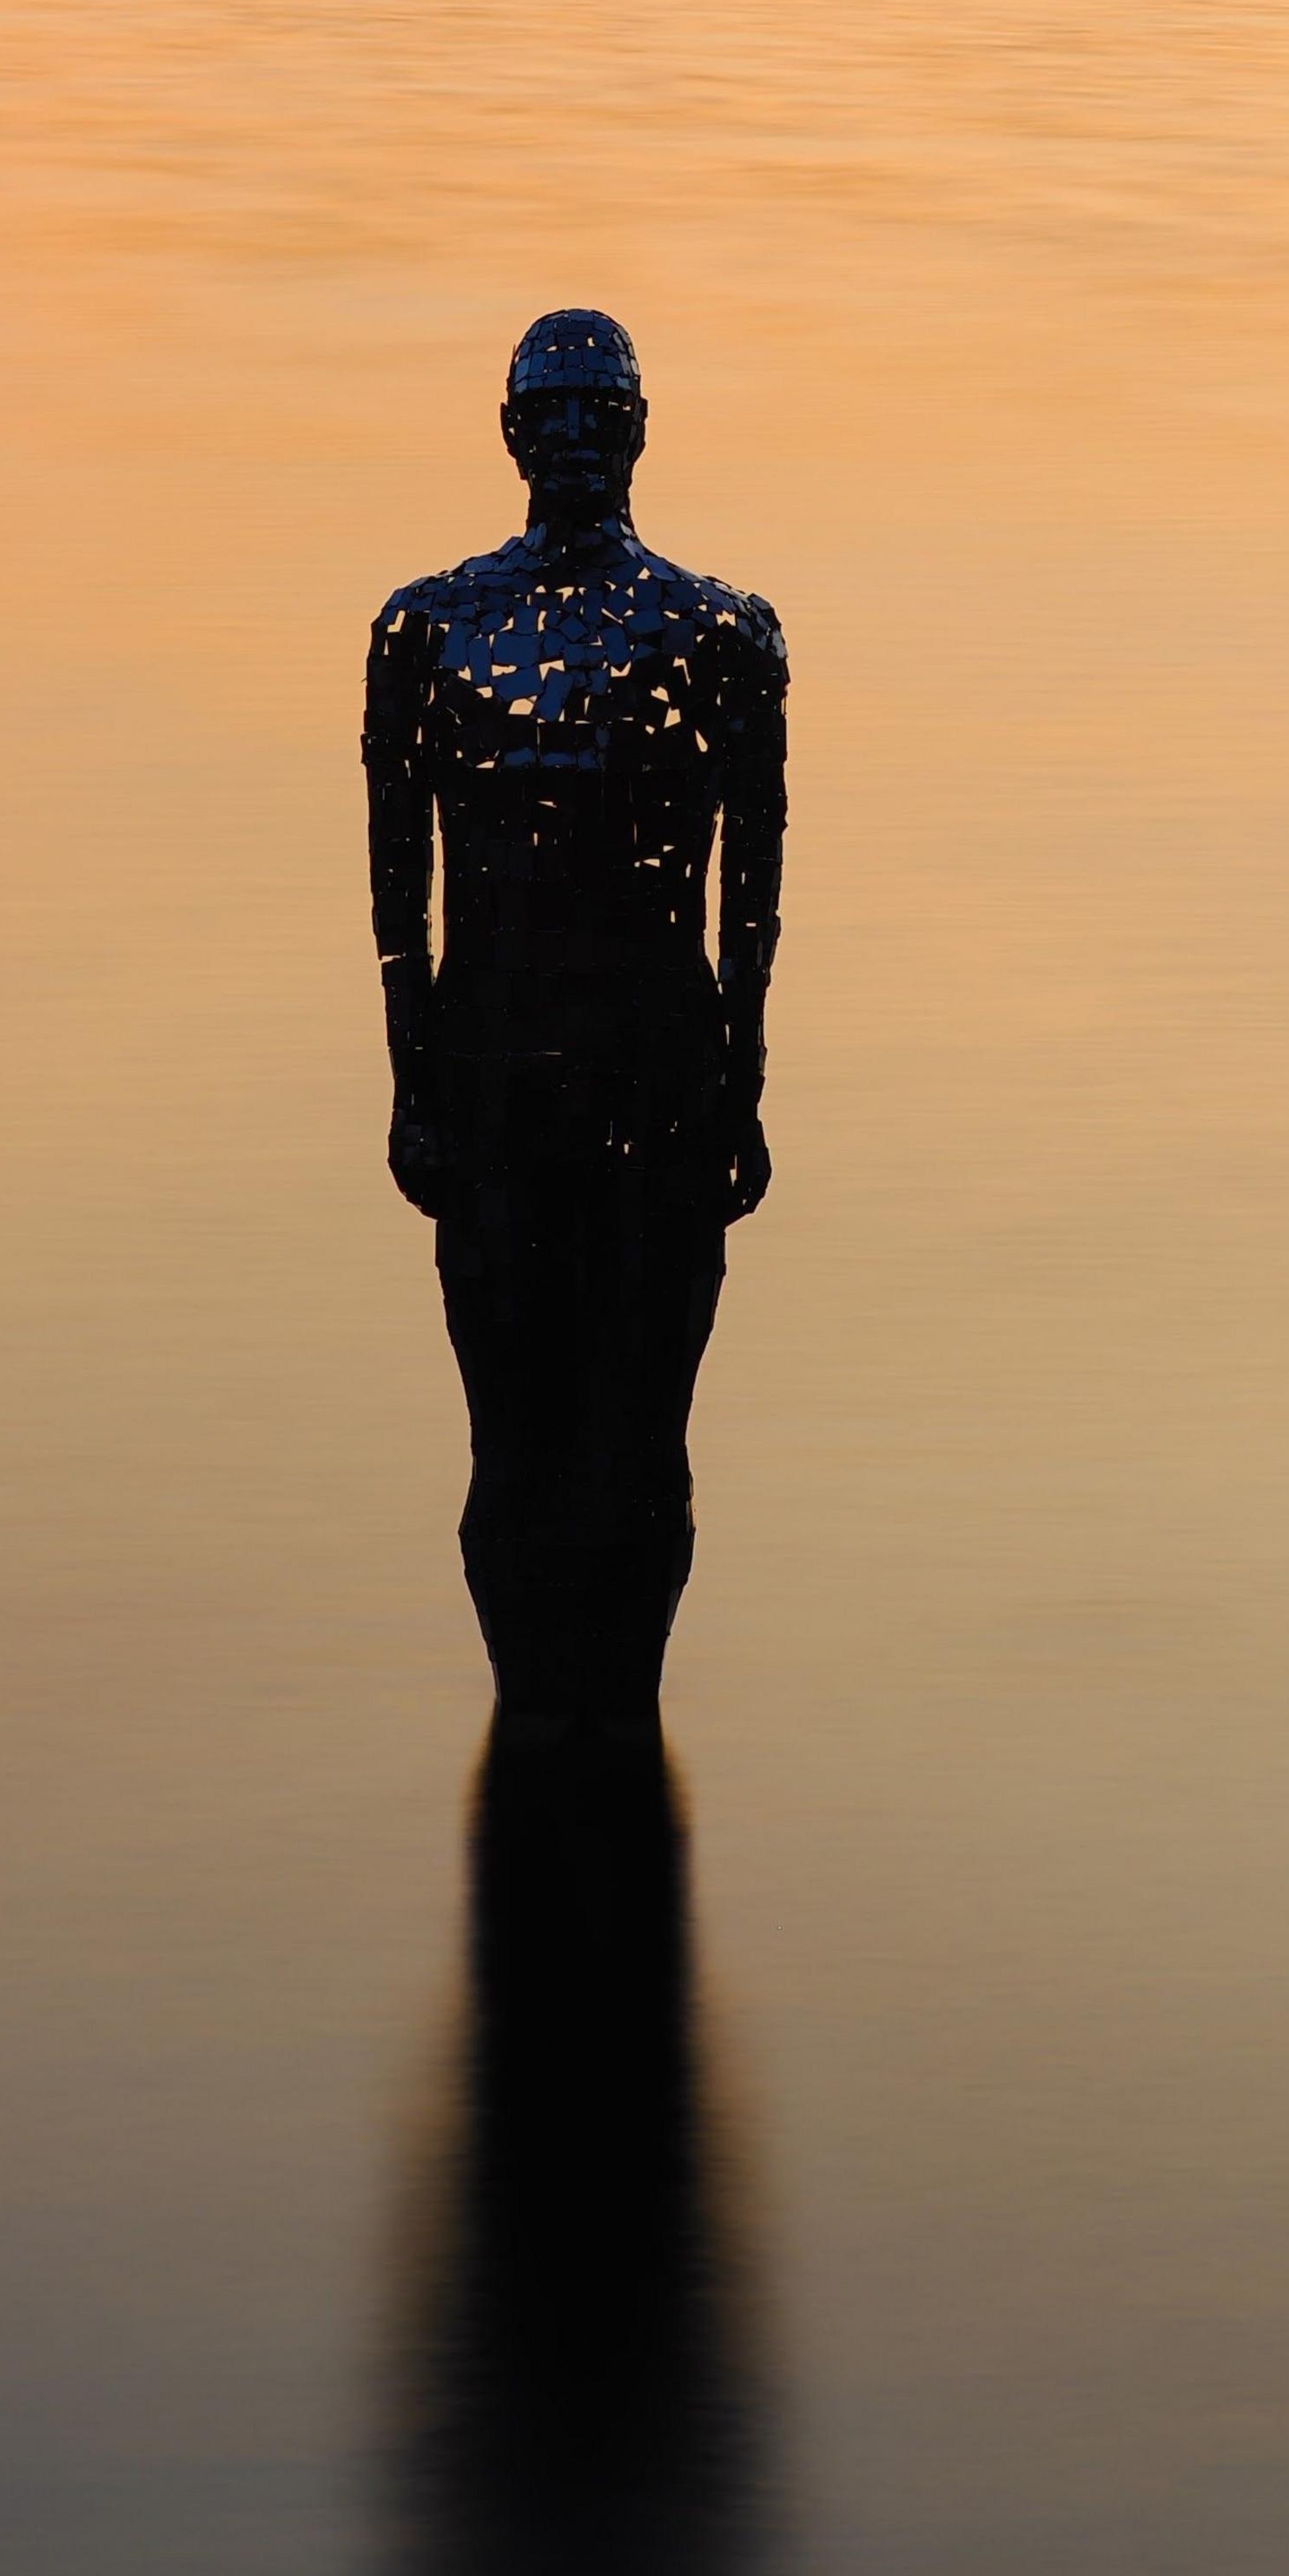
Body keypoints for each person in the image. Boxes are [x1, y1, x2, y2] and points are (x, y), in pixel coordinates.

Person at [363, 313, 786, 1727]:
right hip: (514, 1073)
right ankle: (553, 1733)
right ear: (516, 436)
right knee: (523, 1437)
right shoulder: (428, 631)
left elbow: (753, 885)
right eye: (561, 418)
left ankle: (604, 1729)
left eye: (591, 418)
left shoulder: (721, 636)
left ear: (633, 433)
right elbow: (395, 886)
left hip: (639, 1074)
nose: (575, 443)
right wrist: (412, 1086)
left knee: (635, 1437)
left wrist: (742, 1084)